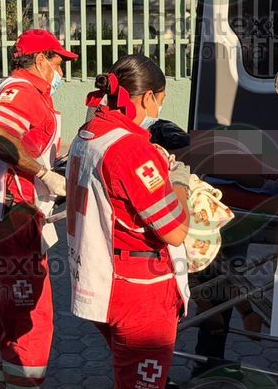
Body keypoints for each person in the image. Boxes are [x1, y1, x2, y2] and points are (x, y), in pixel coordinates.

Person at [65, 54, 192, 389]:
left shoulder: (88, 133)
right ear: (148, 97)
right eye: (160, 101)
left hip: (103, 278)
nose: (159, 109)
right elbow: (175, 231)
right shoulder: (130, 148)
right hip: (141, 291)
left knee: (129, 375)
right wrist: (178, 182)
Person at [0, 29, 77, 388]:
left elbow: (23, 144)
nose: (60, 72)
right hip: (11, 217)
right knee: (29, 319)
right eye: (58, 62)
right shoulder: (24, 91)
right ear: (41, 59)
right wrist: (44, 174)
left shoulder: (18, 89)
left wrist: (52, 168)